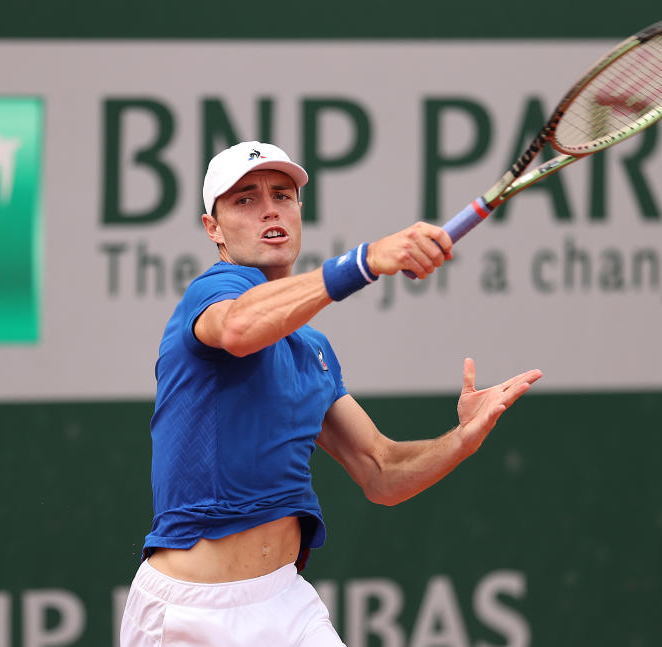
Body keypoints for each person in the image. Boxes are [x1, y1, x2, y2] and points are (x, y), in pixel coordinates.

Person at [119, 141, 543, 647]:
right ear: (213, 228)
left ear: (299, 212)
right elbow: (238, 327)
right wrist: (365, 261)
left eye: (282, 195)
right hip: (190, 613)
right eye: (245, 200)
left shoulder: (311, 351)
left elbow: (382, 473)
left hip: (286, 604)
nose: (269, 209)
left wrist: (461, 439)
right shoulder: (212, 295)